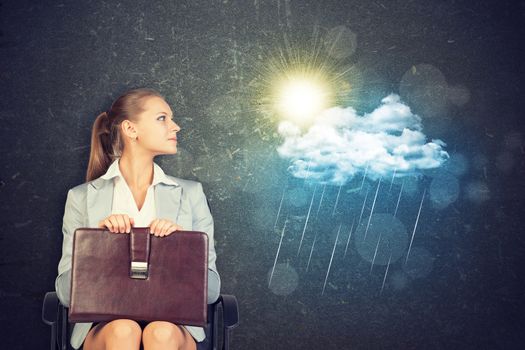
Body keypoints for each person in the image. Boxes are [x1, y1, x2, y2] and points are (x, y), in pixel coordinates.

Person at [54, 88, 221, 350]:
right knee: (123, 330)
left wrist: (182, 247)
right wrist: (95, 244)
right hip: (105, 326)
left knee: (161, 333)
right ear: (131, 129)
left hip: (173, 325)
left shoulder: (191, 194)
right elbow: (64, 293)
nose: (175, 127)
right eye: (162, 118)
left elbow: (212, 291)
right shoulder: (81, 198)